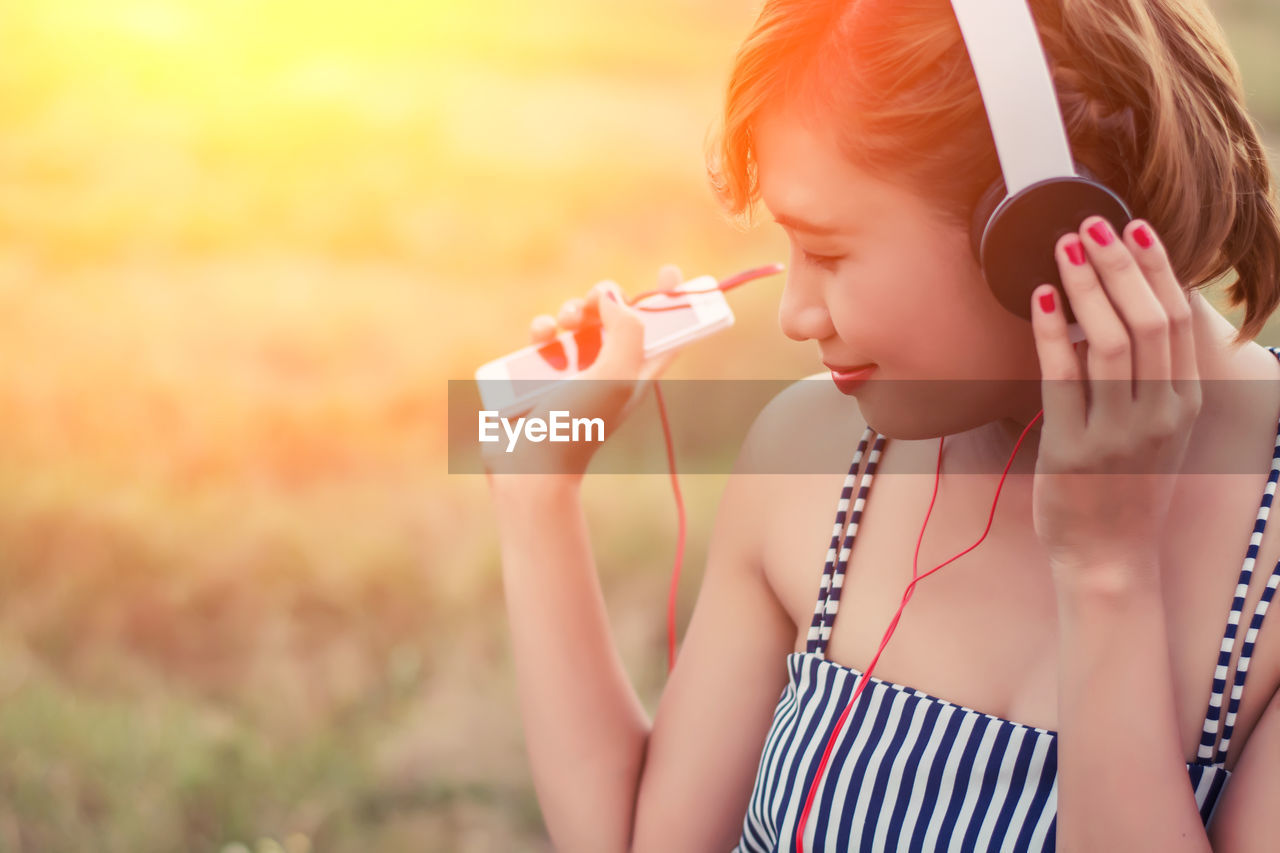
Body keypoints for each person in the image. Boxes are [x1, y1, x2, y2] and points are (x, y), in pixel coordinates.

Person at [484, 0, 1280, 849]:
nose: (793, 313)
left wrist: (1106, 575)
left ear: (1040, 227)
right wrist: (536, 491)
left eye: (827, 252)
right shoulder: (813, 451)